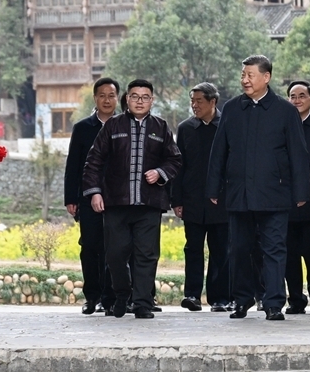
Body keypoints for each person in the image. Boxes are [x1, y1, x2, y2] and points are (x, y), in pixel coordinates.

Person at [206, 55, 310, 320]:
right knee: (239, 249)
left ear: (266, 77)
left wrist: (301, 192)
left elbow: (298, 154)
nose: (245, 80)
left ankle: (273, 303)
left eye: (250, 75)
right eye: (243, 75)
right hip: (239, 193)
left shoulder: (285, 111)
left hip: (274, 193)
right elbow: (219, 151)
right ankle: (241, 300)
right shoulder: (232, 108)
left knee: (274, 249)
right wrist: (213, 187)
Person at [82, 79, 182, 319]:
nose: (140, 101)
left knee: (147, 255)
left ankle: (142, 303)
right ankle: (122, 294)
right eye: (135, 96)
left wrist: (160, 173)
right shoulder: (113, 126)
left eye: (145, 97)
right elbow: (93, 161)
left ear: (152, 101)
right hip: (116, 203)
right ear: (127, 99)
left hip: (149, 203)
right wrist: (95, 192)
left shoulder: (161, 127)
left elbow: (175, 159)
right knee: (115, 254)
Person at [173, 82, 231, 312]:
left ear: (213, 101)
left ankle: (220, 298)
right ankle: (192, 295)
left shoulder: (227, 126)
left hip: (222, 201)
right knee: (193, 249)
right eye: (192, 101)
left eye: (199, 101)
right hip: (193, 200)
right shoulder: (186, 128)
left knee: (221, 251)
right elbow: (179, 166)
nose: (194, 105)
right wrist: (177, 200)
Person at [64, 77, 120, 315]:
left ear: (118, 99)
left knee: (114, 249)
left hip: (118, 199)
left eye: (111, 95)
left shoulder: (124, 126)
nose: (107, 100)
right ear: (95, 98)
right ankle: (92, 297)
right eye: (102, 96)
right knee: (89, 247)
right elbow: (73, 165)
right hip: (88, 197)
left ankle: (110, 298)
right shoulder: (82, 128)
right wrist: (71, 198)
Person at [284, 81, 310, 313]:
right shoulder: (281, 126)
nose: (297, 100)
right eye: (293, 96)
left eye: (302, 95)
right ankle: (296, 300)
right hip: (286, 202)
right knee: (289, 256)